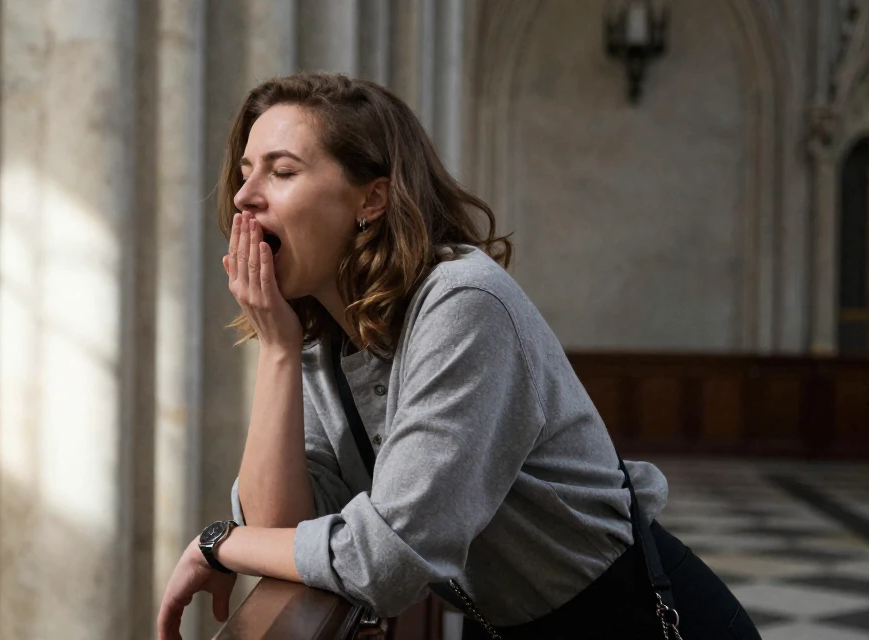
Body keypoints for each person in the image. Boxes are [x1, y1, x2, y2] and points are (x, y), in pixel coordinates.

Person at [157, 72, 760, 640]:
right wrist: (278, 349)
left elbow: (385, 562)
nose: (244, 197)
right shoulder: (322, 337)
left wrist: (220, 543)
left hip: (634, 621)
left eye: (282, 171)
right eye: (245, 173)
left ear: (372, 199)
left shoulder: (463, 303)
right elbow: (284, 531)